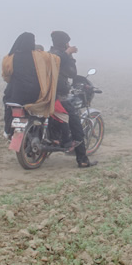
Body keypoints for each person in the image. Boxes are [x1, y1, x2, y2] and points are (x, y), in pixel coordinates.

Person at [49, 30, 97, 168]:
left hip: (47, 96)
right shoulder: (60, 56)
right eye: (67, 42)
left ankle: (56, 139)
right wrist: (69, 54)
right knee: (76, 126)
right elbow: (72, 73)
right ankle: (82, 160)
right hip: (59, 96)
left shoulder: (48, 54)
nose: (69, 44)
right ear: (64, 42)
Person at [1, 33, 60, 138]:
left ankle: (7, 130)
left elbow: (6, 75)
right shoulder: (39, 56)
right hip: (36, 95)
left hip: (16, 96)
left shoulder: (10, 57)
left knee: (7, 101)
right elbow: (56, 59)